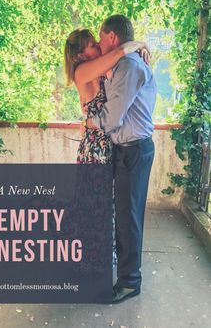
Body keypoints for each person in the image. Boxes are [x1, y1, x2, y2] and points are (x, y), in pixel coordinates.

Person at [64, 29, 150, 270]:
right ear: (80, 56)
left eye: (95, 41)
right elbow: (120, 50)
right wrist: (138, 43)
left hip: (105, 142)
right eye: (92, 44)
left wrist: (139, 48)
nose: (97, 46)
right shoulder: (83, 70)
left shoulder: (100, 68)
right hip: (95, 146)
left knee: (108, 204)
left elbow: (121, 65)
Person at [86, 15, 157, 303]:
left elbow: (113, 118)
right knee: (124, 214)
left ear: (112, 37)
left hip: (133, 150)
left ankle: (130, 282)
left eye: (101, 38)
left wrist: (92, 121)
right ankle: (127, 274)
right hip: (127, 149)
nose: (100, 44)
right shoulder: (123, 65)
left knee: (128, 217)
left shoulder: (129, 65)